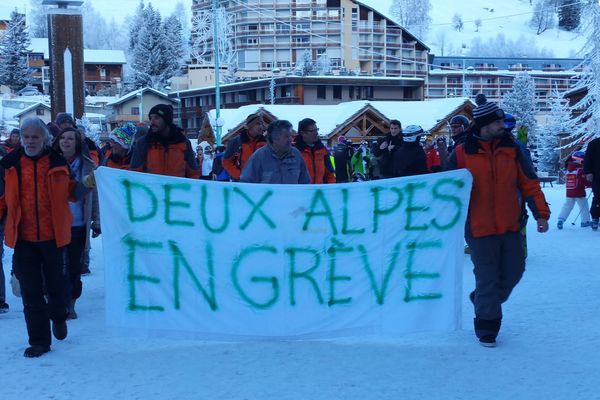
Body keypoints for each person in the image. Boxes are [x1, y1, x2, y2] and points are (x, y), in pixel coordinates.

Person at [447, 99, 550, 348]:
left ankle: (482, 300)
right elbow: (448, 189)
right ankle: (487, 325)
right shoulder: (461, 153)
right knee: (487, 278)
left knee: (515, 271)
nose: (502, 125)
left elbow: (529, 182)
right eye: (497, 121)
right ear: (485, 125)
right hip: (479, 228)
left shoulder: (513, 149)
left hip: (511, 225)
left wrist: (541, 213)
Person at [0, 117, 84, 358]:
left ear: (45, 139)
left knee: (57, 288)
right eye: (26, 137)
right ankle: (39, 341)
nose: (30, 141)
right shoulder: (10, 164)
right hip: (24, 238)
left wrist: (87, 183)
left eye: (35, 137)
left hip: (53, 238)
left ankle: (58, 316)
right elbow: (3, 198)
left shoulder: (57, 162)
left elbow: (72, 193)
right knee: (31, 292)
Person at [52, 128, 100, 319]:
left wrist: (97, 220)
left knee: (73, 268)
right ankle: (57, 302)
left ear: (77, 143)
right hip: (55, 225)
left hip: (79, 224)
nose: (66, 141)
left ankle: (71, 303)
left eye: (70, 138)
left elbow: (94, 196)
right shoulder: (49, 163)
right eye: (62, 138)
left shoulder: (88, 166)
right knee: (55, 267)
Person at [130, 104, 200, 178]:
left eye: (156, 118)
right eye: (151, 118)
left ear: (167, 120)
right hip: (151, 189)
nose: (152, 122)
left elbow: (194, 174)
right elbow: (135, 175)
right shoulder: (143, 143)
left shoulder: (183, 143)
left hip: (177, 188)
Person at [240, 120, 310, 184]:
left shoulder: (296, 155)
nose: (290, 139)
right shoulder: (258, 158)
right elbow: (246, 185)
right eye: (286, 136)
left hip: (291, 198)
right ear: (274, 139)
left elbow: (305, 183)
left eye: (290, 136)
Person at [223, 114, 267, 181]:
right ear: (250, 126)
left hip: (261, 183)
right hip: (242, 183)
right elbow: (226, 161)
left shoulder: (266, 142)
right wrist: (239, 175)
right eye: (258, 124)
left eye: (261, 124)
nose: (261, 126)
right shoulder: (236, 142)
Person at [557, 151, 591, 229]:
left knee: (567, 206)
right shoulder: (580, 170)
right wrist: (590, 184)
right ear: (580, 160)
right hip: (579, 192)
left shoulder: (569, 170)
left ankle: (561, 219)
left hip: (569, 192)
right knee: (584, 206)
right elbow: (583, 181)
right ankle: (585, 221)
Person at [295, 118, 335, 184]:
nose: (316, 133)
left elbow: (330, 175)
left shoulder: (322, 150)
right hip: (300, 192)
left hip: (319, 192)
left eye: (316, 130)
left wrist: (330, 190)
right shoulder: (294, 151)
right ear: (302, 133)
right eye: (312, 131)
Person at [584, 136, 600, 230]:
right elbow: (588, 158)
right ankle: (595, 218)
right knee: (598, 197)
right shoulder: (594, 143)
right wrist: (588, 172)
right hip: (597, 176)